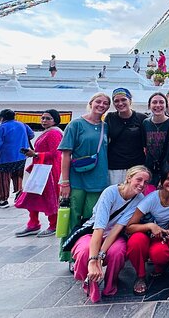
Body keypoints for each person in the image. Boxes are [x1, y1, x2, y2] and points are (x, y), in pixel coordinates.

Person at [71, 166, 149, 303]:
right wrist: (93, 260)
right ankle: (90, 283)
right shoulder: (110, 192)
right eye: (139, 179)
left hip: (113, 235)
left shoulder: (139, 198)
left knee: (117, 252)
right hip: (93, 231)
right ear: (129, 178)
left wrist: (101, 255)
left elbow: (117, 228)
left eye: (146, 182)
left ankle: (111, 284)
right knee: (85, 251)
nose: (142, 184)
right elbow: (99, 227)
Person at [58, 93, 111, 263]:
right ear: (91, 103)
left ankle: (86, 255)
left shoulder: (105, 127)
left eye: (105, 103)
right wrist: (65, 181)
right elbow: (66, 154)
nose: (101, 105)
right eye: (98, 102)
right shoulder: (76, 125)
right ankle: (70, 256)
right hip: (77, 180)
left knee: (91, 220)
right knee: (73, 218)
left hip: (99, 179)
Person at [126, 166, 169, 295]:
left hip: (163, 235)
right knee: (135, 242)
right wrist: (150, 226)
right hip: (145, 233)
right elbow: (129, 227)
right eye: (167, 179)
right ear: (161, 181)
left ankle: (160, 266)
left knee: (159, 254)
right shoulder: (151, 199)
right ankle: (140, 276)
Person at [14, 110, 63, 237]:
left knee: (50, 198)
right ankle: (33, 224)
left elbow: (55, 153)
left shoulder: (54, 133)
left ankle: (54, 225)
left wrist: (35, 154)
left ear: (55, 120)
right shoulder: (47, 132)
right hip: (40, 168)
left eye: (48, 118)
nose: (44, 121)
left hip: (49, 171)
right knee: (31, 196)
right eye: (43, 118)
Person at [0, 109, 35, 208]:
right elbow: (31, 135)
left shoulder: (1, 128)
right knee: (18, 176)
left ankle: (3, 200)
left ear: (1, 118)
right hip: (21, 155)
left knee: (3, 179)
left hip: (5, 157)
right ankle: (19, 195)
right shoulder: (22, 125)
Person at [105, 88, 147, 185]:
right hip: (115, 167)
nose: (120, 103)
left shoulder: (142, 119)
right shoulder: (110, 118)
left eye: (123, 100)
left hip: (136, 167)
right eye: (116, 101)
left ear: (130, 101)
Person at [142, 93, 169, 189]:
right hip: (149, 169)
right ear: (149, 106)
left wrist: (168, 169)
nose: (158, 105)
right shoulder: (145, 123)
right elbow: (144, 147)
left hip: (165, 168)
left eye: (161, 102)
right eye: (154, 102)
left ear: (166, 106)